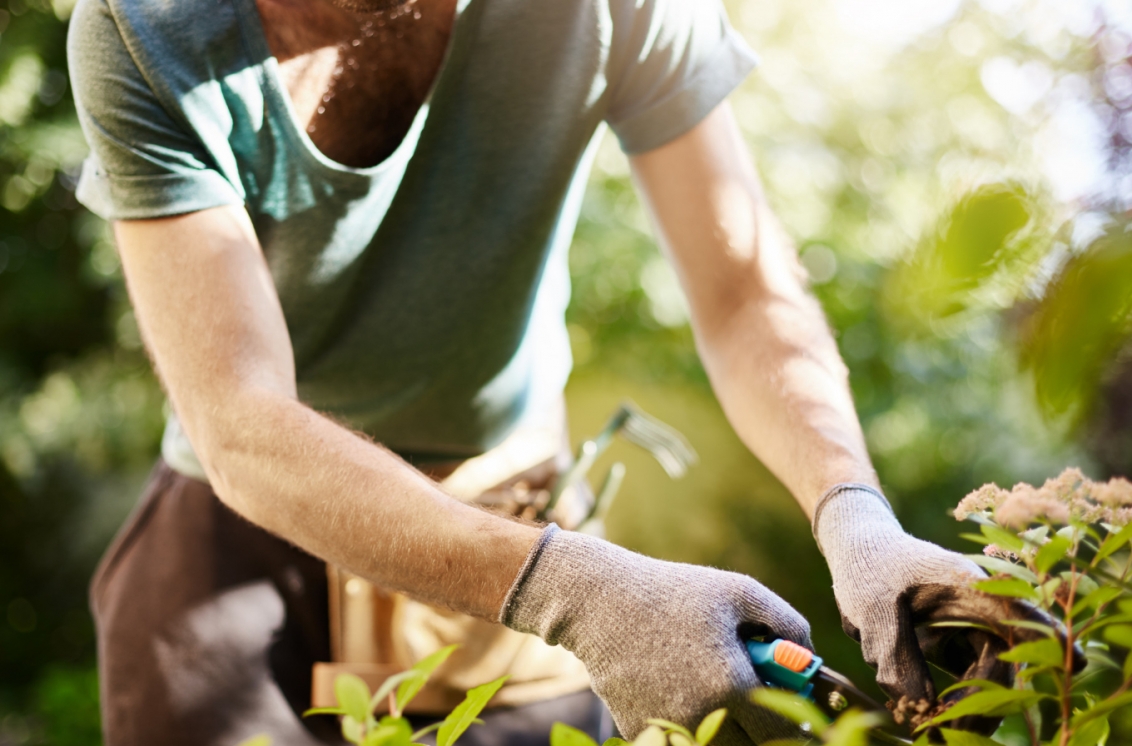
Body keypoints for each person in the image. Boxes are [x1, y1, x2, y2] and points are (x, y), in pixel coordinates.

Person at [67, 0, 1055, 744]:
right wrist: (575, 590)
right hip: (234, 551)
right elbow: (240, 419)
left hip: (510, 508)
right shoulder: (144, 30)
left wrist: (853, 513)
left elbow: (744, 291)